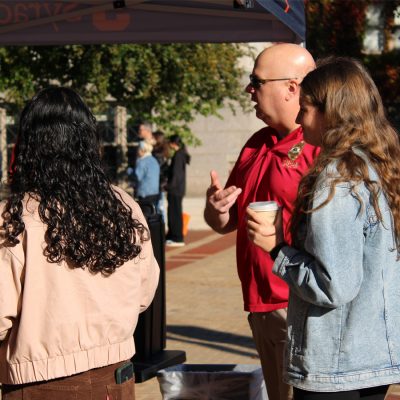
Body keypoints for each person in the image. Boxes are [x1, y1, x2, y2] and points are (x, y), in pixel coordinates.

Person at [246, 57, 400, 399]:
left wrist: (276, 248)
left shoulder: (338, 178)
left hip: (337, 362)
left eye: (305, 108)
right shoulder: (378, 164)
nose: (300, 118)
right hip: (372, 353)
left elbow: (335, 286)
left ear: (331, 112)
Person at [0, 87, 159, 399]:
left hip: (41, 384)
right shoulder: (122, 205)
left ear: (30, 145)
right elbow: (143, 293)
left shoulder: (15, 218)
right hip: (116, 377)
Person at [204, 43, 318, 400]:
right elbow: (226, 220)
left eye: (256, 81)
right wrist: (217, 210)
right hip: (259, 305)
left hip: (299, 307)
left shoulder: (320, 147)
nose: (248, 90)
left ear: (291, 88)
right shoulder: (257, 143)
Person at [166, 134, 190, 247]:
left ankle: (177, 237)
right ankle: (174, 236)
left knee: (174, 213)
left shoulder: (178, 155)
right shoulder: (181, 154)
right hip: (177, 189)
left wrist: (169, 186)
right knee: (175, 212)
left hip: (175, 190)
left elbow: (176, 174)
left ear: (173, 143)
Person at [134, 139, 160, 206]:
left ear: (143, 150)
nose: (137, 151)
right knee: (153, 213)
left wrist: (130, 171)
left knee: (145, 214)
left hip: (144, 193)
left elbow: (137, 177)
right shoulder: (154, 160)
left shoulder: (142, 161)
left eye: (138, 149)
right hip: (155, 192)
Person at [152, 130, 170, 221]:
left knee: (158, 206)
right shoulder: (163, 151)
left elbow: (158, 168)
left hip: (159, 183)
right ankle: (161, 227)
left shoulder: (157, 153)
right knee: (159, 206)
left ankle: (160, 228)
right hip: (160, 182)